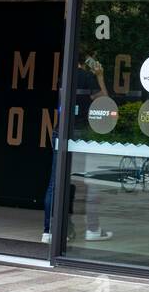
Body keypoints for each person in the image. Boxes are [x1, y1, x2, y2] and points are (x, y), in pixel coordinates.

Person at [42, 54, 113, 243]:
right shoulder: (87, 77)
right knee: (89, 181)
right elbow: (104, 101)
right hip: (81, 133)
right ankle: (92, 228)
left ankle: (49, 231)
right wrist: (99, 76)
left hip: (60, 131)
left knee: (55, 183)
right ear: (86, 61)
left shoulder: (64, 76)